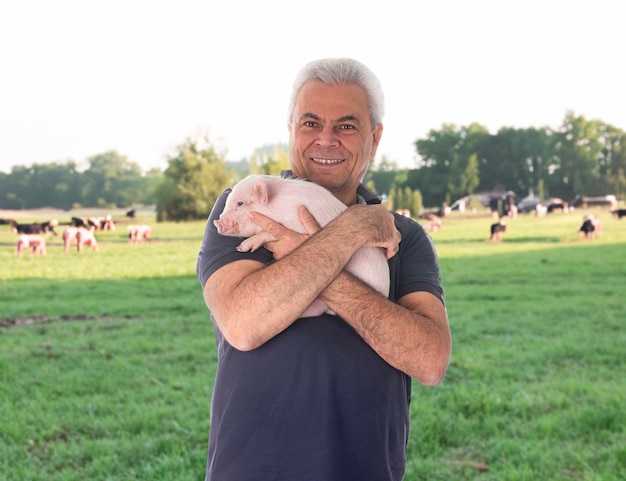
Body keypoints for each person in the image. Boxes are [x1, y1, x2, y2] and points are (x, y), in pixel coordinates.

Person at [196, 57, 451, 481]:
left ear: (375, 137)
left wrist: (309, 257)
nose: (326, 140)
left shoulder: (403, 235)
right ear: (292, 129)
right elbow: (243, 322)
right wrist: (351, 231)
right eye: (310, 123)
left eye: (346, 126)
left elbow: (428, 360)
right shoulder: (245, 206)